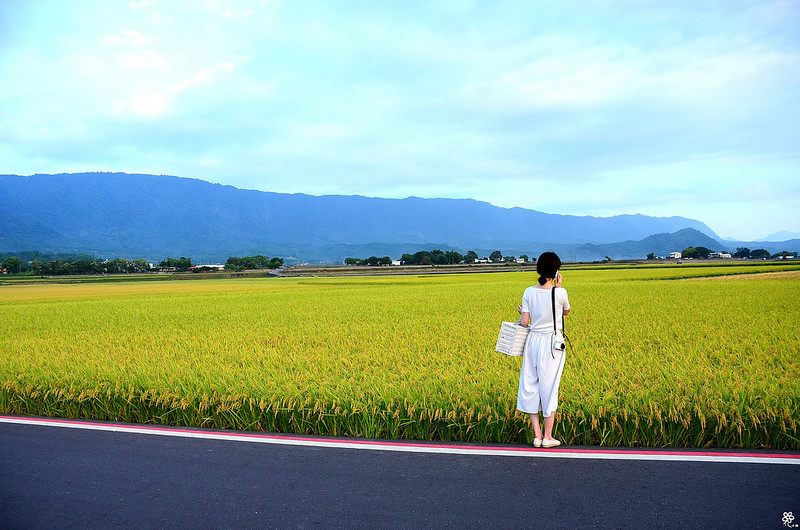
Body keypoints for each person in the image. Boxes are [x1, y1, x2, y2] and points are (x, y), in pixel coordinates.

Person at [516, 251, 571, 448]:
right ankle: (548, 436)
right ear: (556, 271)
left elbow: (525, 322)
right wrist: (558, 289)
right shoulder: (560, 292)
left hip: (533, 341)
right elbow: (566, 311)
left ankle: (537, 435)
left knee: (530, 385)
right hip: (552, 344)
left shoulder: (529, 291)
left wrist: (522, 311)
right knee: (550, 386)